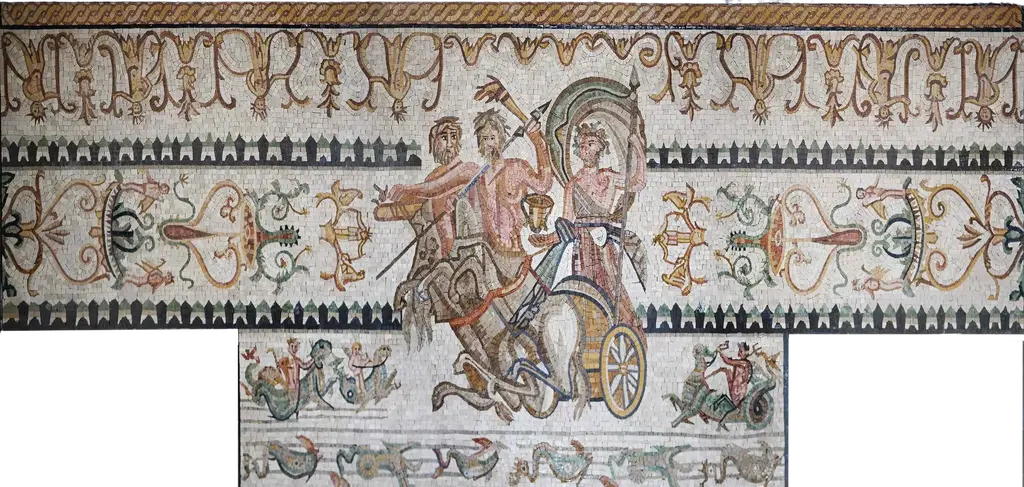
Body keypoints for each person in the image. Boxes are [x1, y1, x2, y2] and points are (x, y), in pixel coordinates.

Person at [388, 108, 552, 284]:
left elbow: (544, 185)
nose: (489, 144)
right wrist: (409, 189)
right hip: (488, 256)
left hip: (516, 254)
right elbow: (437, 186)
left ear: (502, 138)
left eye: (493, 137)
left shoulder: (517, 168)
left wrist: (538, 141)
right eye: (485, 139)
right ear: (480, 144)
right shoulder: (474, 174)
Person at [533, 121, 647, 327]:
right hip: (582, 246)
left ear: (601, 147)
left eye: (591, 143)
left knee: (611, 283)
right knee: (585, 288)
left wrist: (639, 150)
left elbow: (638, 183)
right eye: (582, 144)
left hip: (603, 244)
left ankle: (626, 326)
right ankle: (594, 329)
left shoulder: (608, 178)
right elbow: (567, 224)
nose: (586, 148)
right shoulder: (572, 185)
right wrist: (546, 240)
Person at [706, 341, 753, 407]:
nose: (739, 352)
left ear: (745, 353)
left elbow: (728, 361)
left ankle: (713, 396)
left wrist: (720, 351)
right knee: (724, 370)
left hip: (737, 393)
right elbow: (730, 362)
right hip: (736, 389)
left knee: (723, 375)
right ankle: (710, 386)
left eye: (741, 351)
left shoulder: (744, 363)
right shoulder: (743, 362)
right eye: (739, 350)